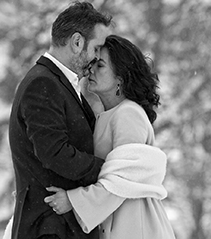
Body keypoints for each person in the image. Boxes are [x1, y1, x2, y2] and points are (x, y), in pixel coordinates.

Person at [43, 35, 176, 239]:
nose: (91, 70)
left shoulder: (128, 114)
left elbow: (123, 180)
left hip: (135, 226)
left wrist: (73, 201)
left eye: (100, 65)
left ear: (120, 79)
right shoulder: (108, 115)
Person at [8, 1, 114, 239]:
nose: (97, 57)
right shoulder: (42, 83)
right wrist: (108, 169)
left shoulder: (59, 83)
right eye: (97, 48)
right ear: (77, 42)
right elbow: (55, 153)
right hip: (50, 229)